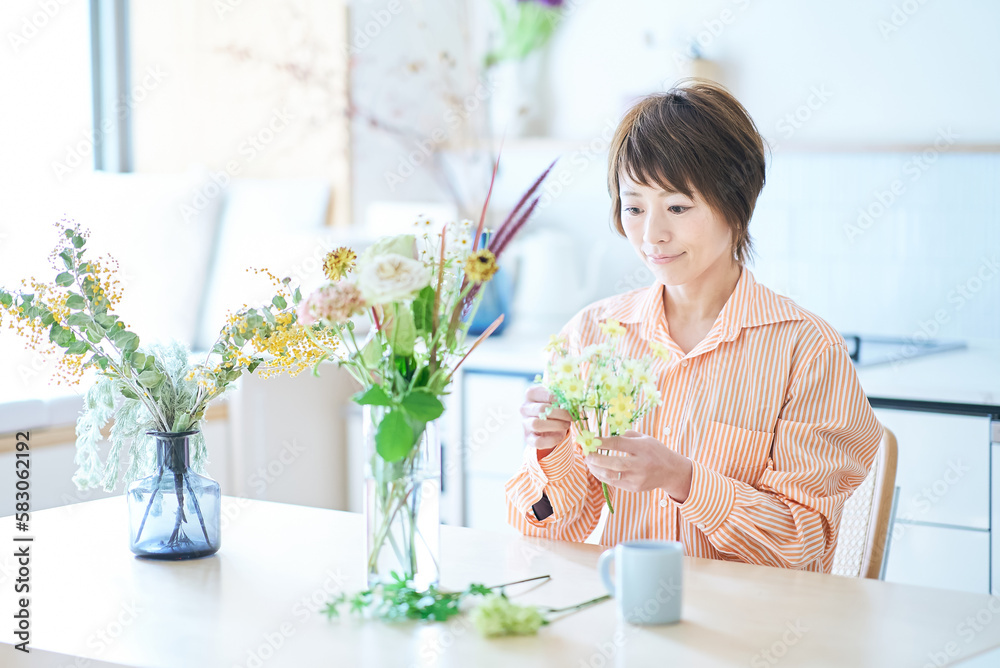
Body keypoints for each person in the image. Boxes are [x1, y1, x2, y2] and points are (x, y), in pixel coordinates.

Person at [504, 78, 883, 572]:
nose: (652, 235)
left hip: (753, 619)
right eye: (634, 208)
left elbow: (802, 544)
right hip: (627, 610)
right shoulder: (591, 336)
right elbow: (547, 535)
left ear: (736, 205)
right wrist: (549, 451)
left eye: (678, 207)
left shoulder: (807, 351)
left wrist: (683, 479)